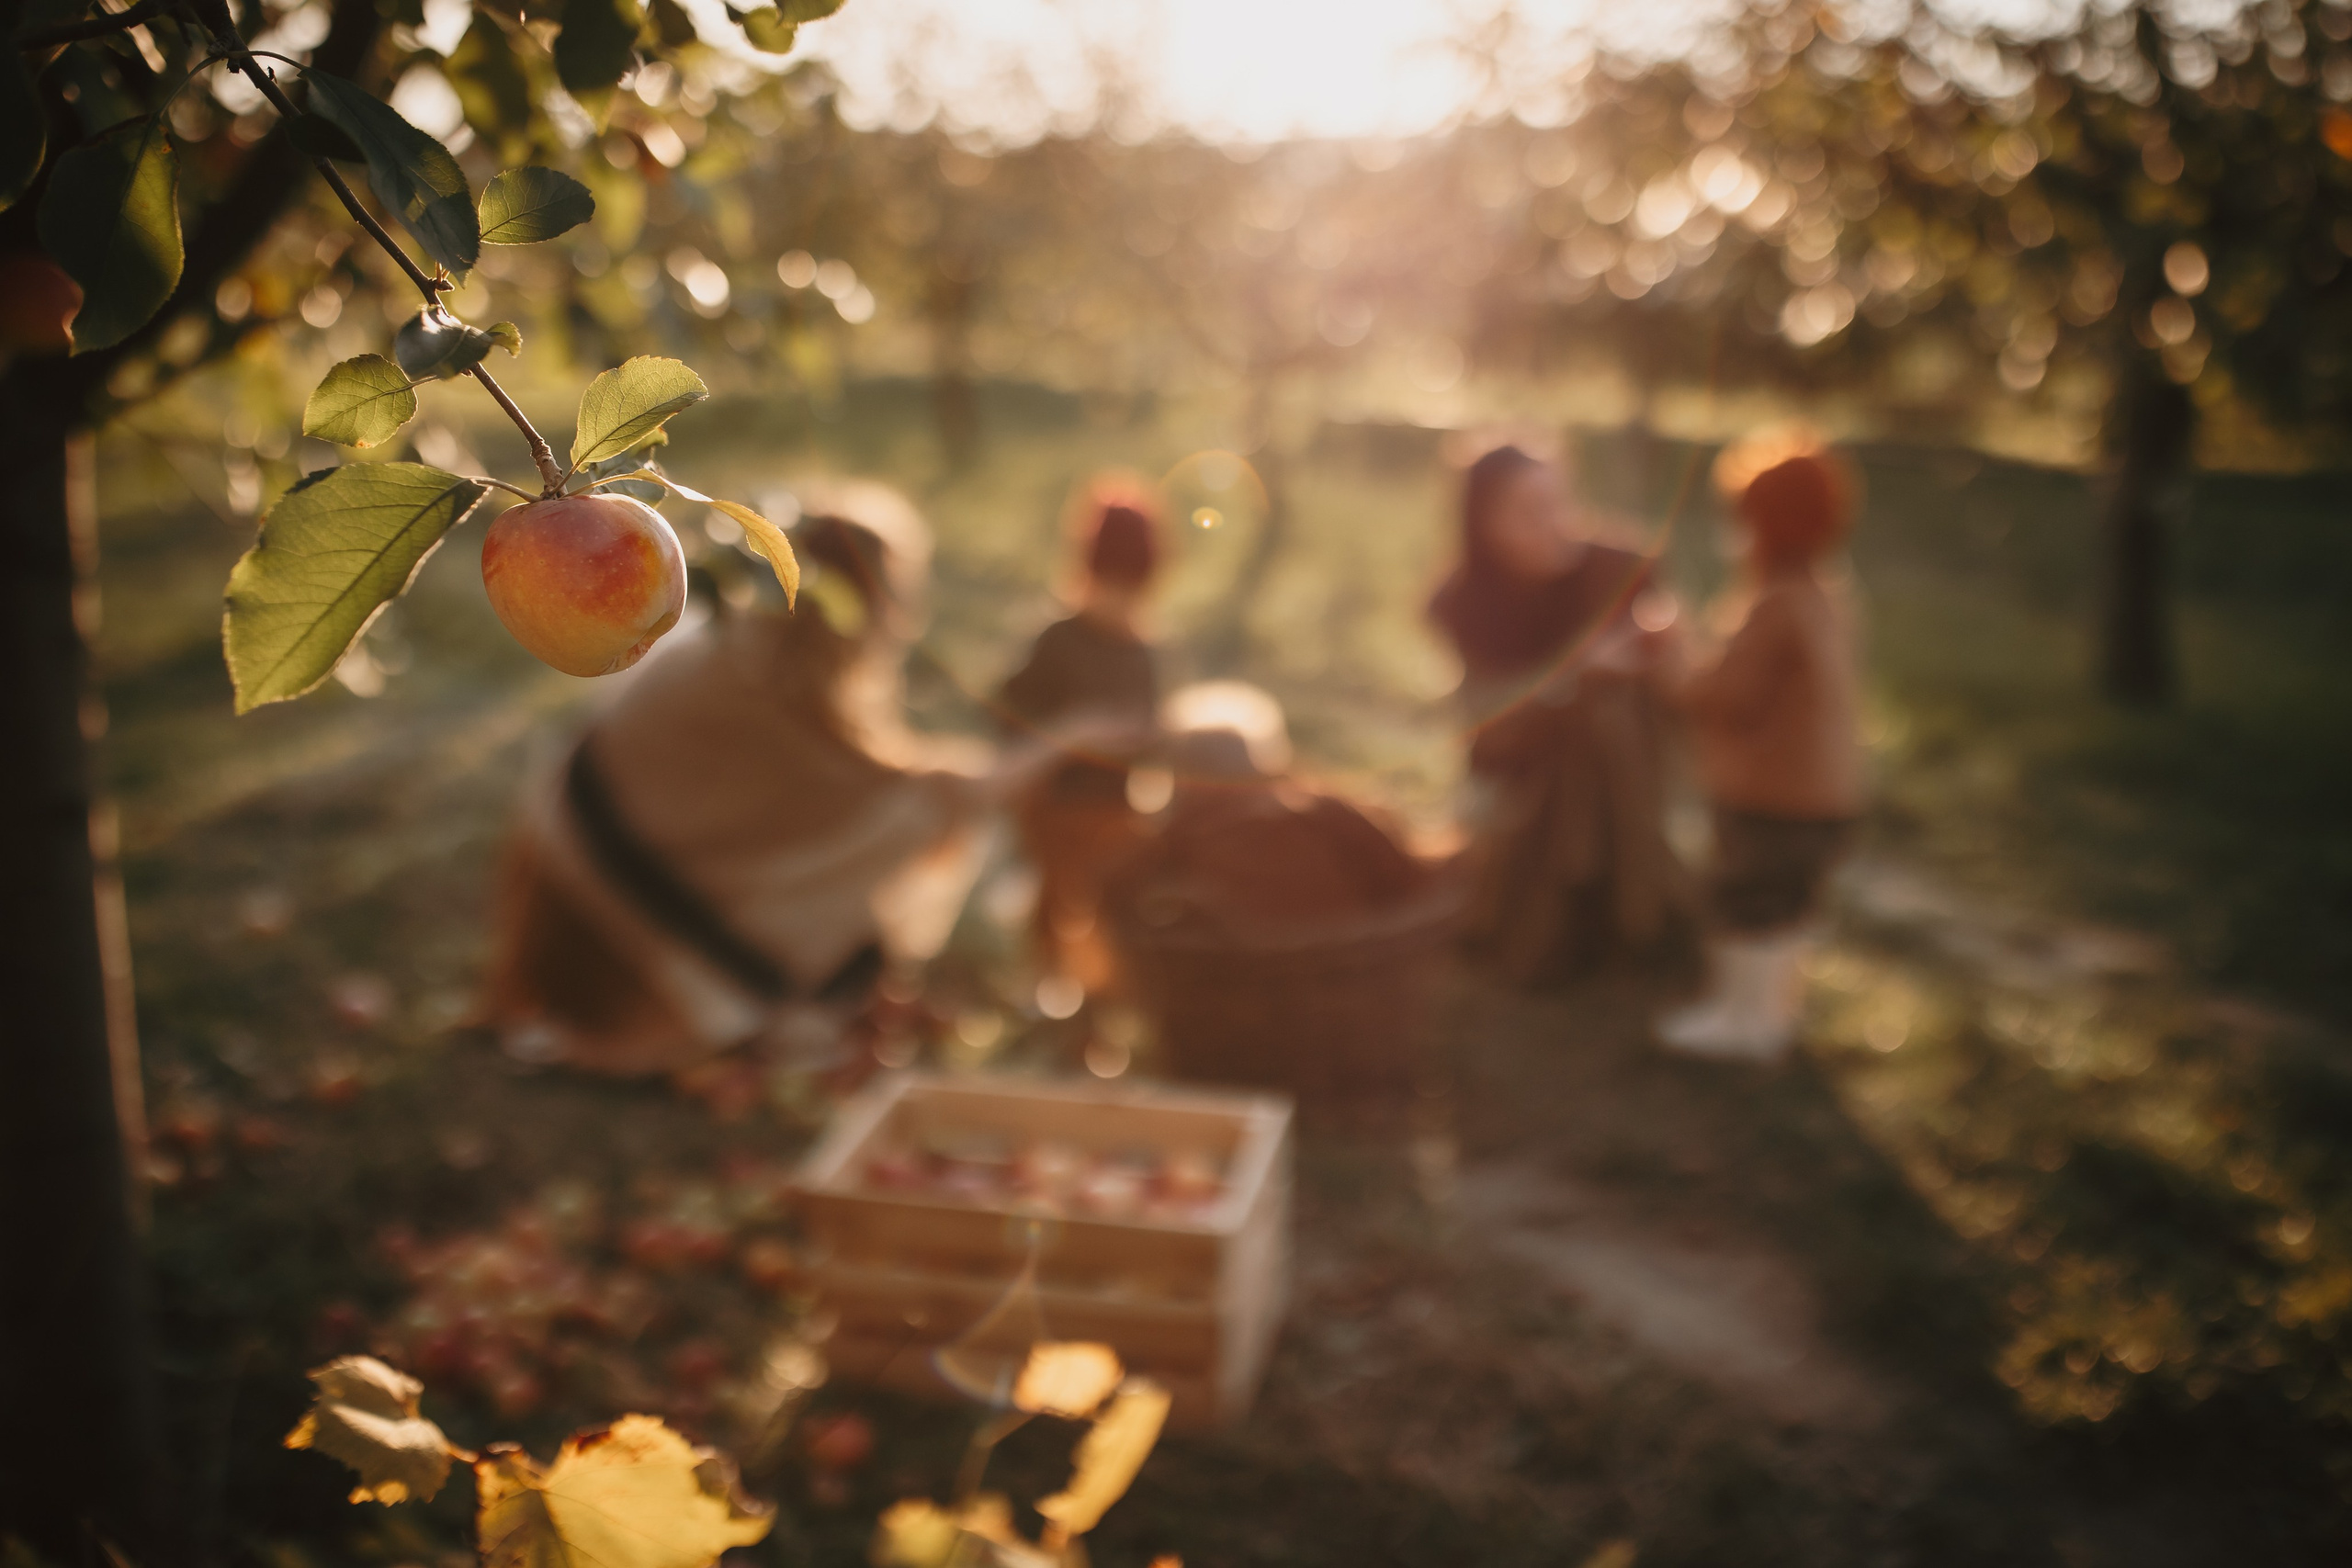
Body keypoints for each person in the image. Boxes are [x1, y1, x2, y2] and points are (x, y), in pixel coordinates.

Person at [480, 484, 1132, 1078]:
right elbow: (938, 794)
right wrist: (1070, 737)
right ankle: (703, 1001)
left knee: (883, 817)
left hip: (564, 848)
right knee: (897, 825)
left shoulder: (726, 642)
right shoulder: (787, 700)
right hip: (624, 916)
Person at [1102, 682, 1449, 1111]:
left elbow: (1113, 901)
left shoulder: (1168, 841)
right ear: (1268, 758)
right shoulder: (1325, 809)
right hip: (1356, 1005)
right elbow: (1413, 880)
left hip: (1227, 1029)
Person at [1427, 444, 1689, 985]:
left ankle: (1631, 911)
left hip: (1624, 768)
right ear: (1485, 526)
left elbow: (1678, 664)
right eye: (1527, 512)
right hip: (1521, 767)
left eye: (1559, 503)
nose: (1553, 524)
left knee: (1607, 724)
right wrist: (1580, 675)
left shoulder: (1619, 567)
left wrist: (1661, 643)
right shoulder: (1466, 600)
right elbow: (1492, 721)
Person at [1650, 428, 1865, 1062]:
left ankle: (1739, 1020)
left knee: (1743, 906)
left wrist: (1670, 652)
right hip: (1830, 797)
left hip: (1771, 797)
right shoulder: (1828, 594)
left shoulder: (1772, 604)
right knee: (1788, 911)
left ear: (1756, 524)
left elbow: (1723, 697)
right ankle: (1772, 1019)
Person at [993, 476, 1163, 999]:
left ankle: (1098, 999)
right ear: (1086, 573)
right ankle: (1047, 994)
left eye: (1130, 589)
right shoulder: (1059, 640)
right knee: (1055, 907)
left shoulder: (1144, 652)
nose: (1118, 601)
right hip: (1054, 806)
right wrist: (1075, 730)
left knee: (1111, 909)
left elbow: (1154, 731)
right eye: (1109, 584)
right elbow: (1006, 718)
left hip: (1115, 810)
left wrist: (1144, 738)